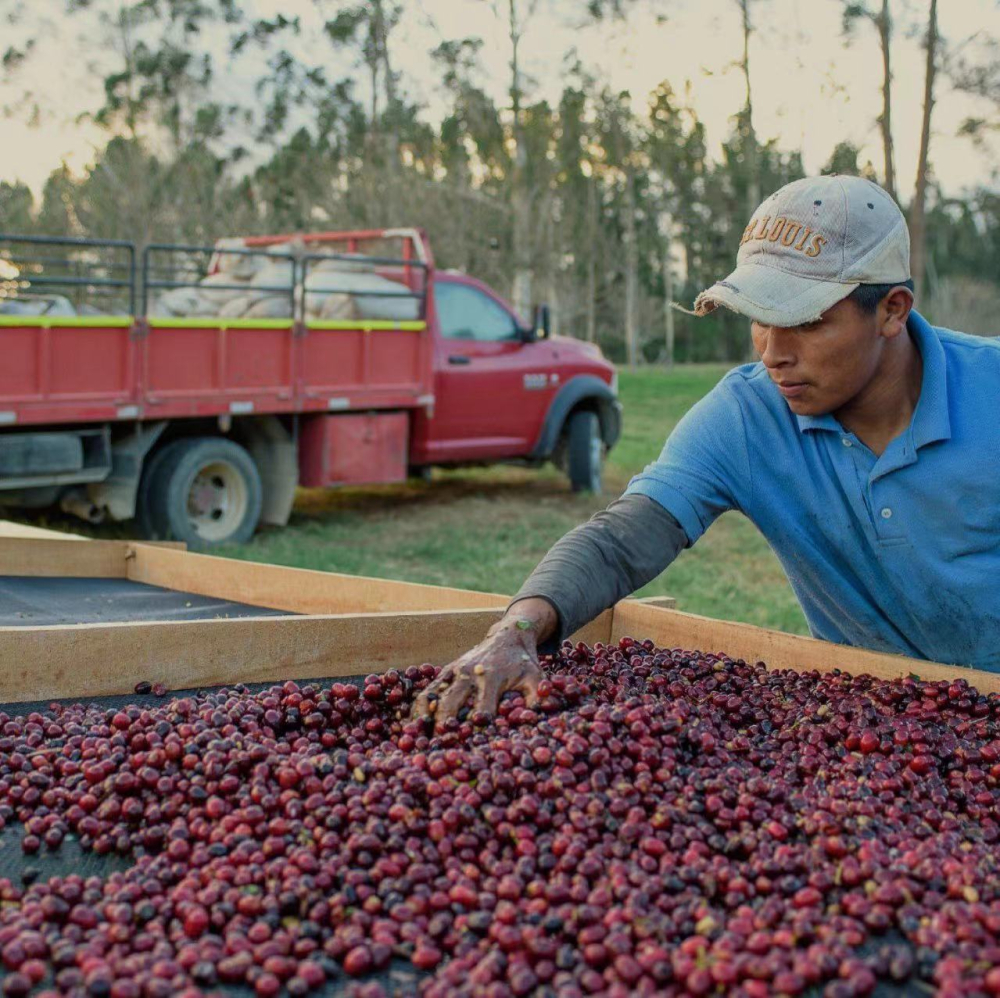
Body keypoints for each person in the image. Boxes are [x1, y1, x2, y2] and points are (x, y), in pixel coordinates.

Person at [413, 174, 1000, 726]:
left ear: (892, 310)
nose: (773, 352)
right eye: (759, 320)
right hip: (880, 724)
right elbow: (621, 541)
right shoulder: (747, 416)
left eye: (805, 320)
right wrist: (517, 628)